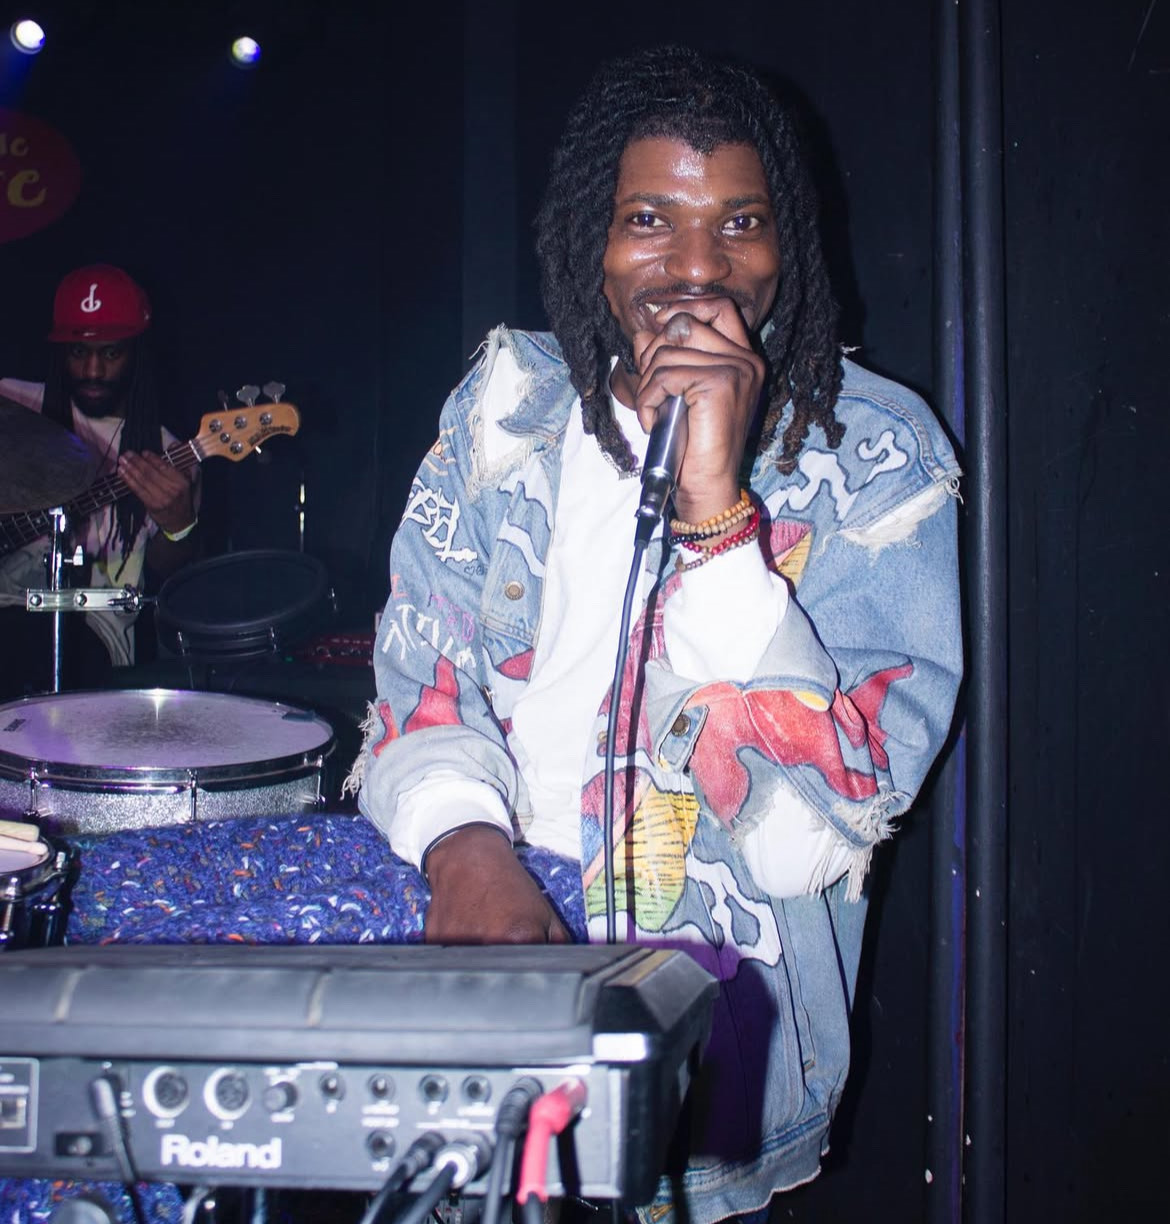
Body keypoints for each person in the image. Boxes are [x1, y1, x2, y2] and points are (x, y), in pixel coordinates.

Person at [348, 43, 963, 1223]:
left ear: (789, 246)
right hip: (480, 923)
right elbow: (419, 676)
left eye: (741, 222)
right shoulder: (505, 410)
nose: (696, 266)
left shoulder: (877, 458)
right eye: (649, 219)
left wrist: (718, 513)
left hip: (709, 1026)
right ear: (593, 233)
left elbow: (808, 841)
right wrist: (465, 848)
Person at [0, 264, 200, 694]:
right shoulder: (13, 407)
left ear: (136, 354)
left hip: (93, 632)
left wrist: (178, 526)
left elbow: (170, 569)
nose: (92, 370)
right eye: (78, 352)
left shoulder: (167, 452)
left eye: (110, 354)